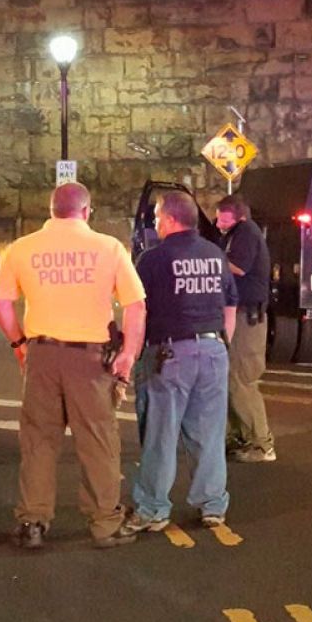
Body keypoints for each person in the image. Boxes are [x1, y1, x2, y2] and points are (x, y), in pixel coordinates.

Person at [0, 182, 146, 550]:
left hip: (42, 355)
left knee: (39, 441)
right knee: (97, 441)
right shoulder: (108, 248)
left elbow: (0, 302)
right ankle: (105, 522)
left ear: (51, 211)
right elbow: (136, 305)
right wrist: (128, 354)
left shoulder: (25, 248)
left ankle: (33, 521)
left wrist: (19, 343)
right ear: (86, 211)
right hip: (90, 361)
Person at [118, 191, 238, 536]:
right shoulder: (215, 254)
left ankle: (153, 508)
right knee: (209, 434)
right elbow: (231, 304)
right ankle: (212, 505)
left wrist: (130, 353)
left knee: (160, 434)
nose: (155, 222)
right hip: (213, 350)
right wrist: (223, 343)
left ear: (170, 219)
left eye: (157, 216)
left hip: (170, 354)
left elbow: (138, 310)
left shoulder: (153, 259)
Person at [216, 194, 275, 464]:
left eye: (222, 216)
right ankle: (239, 437)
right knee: (230, 378)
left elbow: (238, 267)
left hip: (246, 318)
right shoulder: (235, 234)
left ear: (238, 214)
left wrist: (209, 256)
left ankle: (261, 444)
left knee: (242, 378)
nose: (218, 221)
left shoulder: (246, 233)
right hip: (237, 315)